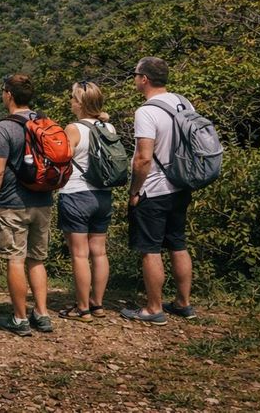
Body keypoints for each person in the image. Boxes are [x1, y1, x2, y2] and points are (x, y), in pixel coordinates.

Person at [121, 57, 198, 324]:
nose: (134, 79)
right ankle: (183, 303)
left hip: (154, 188)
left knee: (150, 249)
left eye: (136, 75)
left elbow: (143, 157)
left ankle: (154, 308)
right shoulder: (183, 102)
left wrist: (134, 190)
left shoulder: (146, 111)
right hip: (181, 185)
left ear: (144, 79)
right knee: (178, 244)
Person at [0, 73, 54, 336]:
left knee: (15, 260)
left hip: (13, 202)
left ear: (9, 95)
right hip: (43, 200)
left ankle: (20, 318)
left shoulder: (3, 128)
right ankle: (42, 313)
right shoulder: (44, 122)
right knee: (37, 260)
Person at [57, 82, 114, 321]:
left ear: (80, 103)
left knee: (80, 254)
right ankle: (97, 304)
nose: (70, 101)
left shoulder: (73, 128)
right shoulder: (108, 126)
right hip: (103, 194)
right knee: (99, 253)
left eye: (73, 97)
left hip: (76, 194)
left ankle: (82, 308)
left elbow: (61, 160)